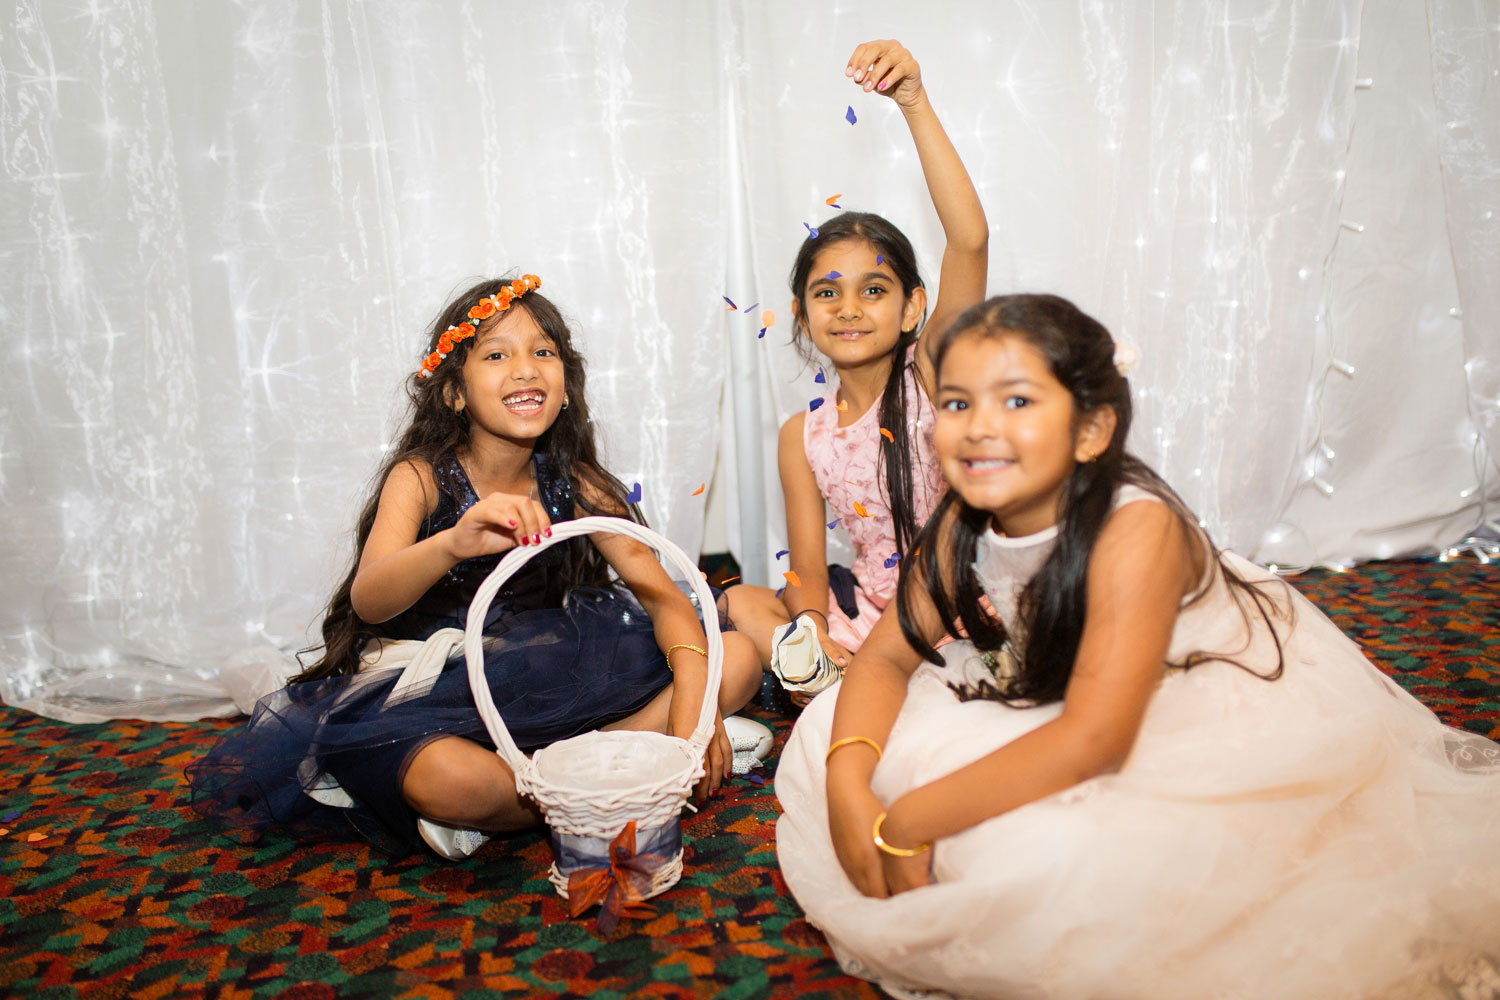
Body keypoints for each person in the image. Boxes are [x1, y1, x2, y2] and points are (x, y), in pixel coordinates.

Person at [775, 294, 1500, 999]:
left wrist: (907, 818)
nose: (977, 427)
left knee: (1048, 863)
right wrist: (848, 781)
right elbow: (884, 658)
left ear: (1091, 431)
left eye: (1017, 402)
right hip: (1053, 681)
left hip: (1189, 703)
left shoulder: (1136, 530)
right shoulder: (962, 518)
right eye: (958, 403)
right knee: (827, 731)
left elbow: (1096, 737)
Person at [190, 275, 763, 859]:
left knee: (737, 659)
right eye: (496, 354)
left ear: (566, 385)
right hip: (445, 687)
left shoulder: (578, 480)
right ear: (454, 393)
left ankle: (568, 776)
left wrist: (695, 698)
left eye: (544, 352)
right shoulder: (419, 477)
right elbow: (370, 598)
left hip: (559, 667)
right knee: (444, 779)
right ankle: (617, 764)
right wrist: (452, 545)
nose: (525, 369)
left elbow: (663, 595)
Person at [726, 39, 988, 696]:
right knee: (740, 603)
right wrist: (809, 630)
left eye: (874, 290)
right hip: (870, 613)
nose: (848, 308)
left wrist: (913, 102)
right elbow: (809, 570)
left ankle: (877, 685)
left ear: (911, 309)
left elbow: (969, 240)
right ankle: (841, 677)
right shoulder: (802, 435)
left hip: (958, 606)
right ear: (802, 312)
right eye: (826, 292)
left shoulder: (931, 373)